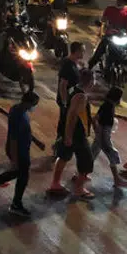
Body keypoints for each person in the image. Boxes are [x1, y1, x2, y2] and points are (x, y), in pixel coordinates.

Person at [0, 90, 39, 216]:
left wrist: (36, 141)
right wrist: (14, 159)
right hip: (19, 151)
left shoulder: (21, 111)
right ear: (28, 103)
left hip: (23, 149)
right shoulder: (18, 114)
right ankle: (16, 204)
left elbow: (26, 131)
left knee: (16, 173)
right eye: (35, 104)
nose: (35, 107)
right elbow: (13, 138)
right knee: (22, 176)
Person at [47, 69, 96, 198]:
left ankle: (55, 183)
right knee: (87, 161)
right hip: (77, 134)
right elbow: (72, 116)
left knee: (63, 156)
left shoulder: (73, 90)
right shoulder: (81, 96)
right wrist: (69, 135)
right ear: (91, 81)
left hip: (69, 131)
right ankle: (79, 189)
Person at [88, 86, 127, 189]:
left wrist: (120, 117)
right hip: (104, 134)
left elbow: (106, 115)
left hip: (102, 134)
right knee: (112, 154)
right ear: (116, 98)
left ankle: (81, 174)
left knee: (92, 153)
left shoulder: (108, 105)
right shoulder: (107, 106)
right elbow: (95, 119)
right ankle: (117, 180)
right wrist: (97, 130)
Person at [88, 0, 127, 69]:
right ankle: (89, 68)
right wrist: (101, 32)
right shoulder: (109, 9)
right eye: (118, 0)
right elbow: (103, 22)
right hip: (110, 35)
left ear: (125, 2)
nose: (118, 2)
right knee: (99, 52)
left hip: (123, 36)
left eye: (121, 0)